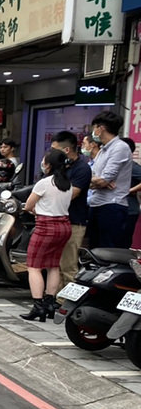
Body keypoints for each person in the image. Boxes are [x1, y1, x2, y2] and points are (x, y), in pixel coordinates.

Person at [20, 149, 73, 321]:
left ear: (49, 165)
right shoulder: (67, 184)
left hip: (45, 227)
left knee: (34, 266)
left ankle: (38, 306)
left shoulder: (44, 183)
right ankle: (50, 302)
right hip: (64, 226)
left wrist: (37, 211)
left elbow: (28, 206)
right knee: (53, 265)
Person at [50, 131, 92, 290]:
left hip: (74, 221)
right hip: (57, 220)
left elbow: (72, 194)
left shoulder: (82, 168)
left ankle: (67, 303)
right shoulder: (61, 167)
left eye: (54, 149)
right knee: (56, 265)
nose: (51, 153)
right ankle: (55, 298)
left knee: (68, 265)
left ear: (66, 150)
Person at [87, 110, 132, 248]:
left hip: (112, 206)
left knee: (108, 249)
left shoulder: (120, 148)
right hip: (96, 204)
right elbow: (92, 177)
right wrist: (98, 182)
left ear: (101, 129)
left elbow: (102, 180)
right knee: (94, 248)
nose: (93, 131)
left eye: (94, 128)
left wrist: (100, 182)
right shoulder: (102, 150)